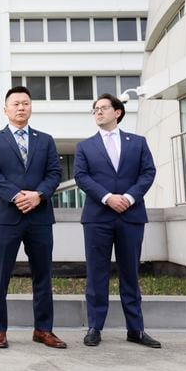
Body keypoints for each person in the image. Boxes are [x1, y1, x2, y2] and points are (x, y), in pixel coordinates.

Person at [0, 86, 64, 349]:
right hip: (6, 217)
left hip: (39, 217)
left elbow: (54, 173)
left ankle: (43, 329)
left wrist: (38, 195)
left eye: (25, 103)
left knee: (43, 275)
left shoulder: (45, 140)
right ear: (5, 109)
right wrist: (18, 196)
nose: (20, 107)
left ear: (31, 108)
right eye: (15, 104)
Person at [74, 94, 161, 348]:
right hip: (97, 218)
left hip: (130, 216)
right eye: (95, 110)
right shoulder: (85, 147)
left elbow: (148, 173)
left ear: (118, 112)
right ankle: (94, 327)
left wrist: (130, 198)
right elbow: (81, 176)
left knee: (130, 274)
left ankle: (136, 329)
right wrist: (107, 197)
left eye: (103, 108)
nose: (98, 112)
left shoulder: (138, 143)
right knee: (96, 273)